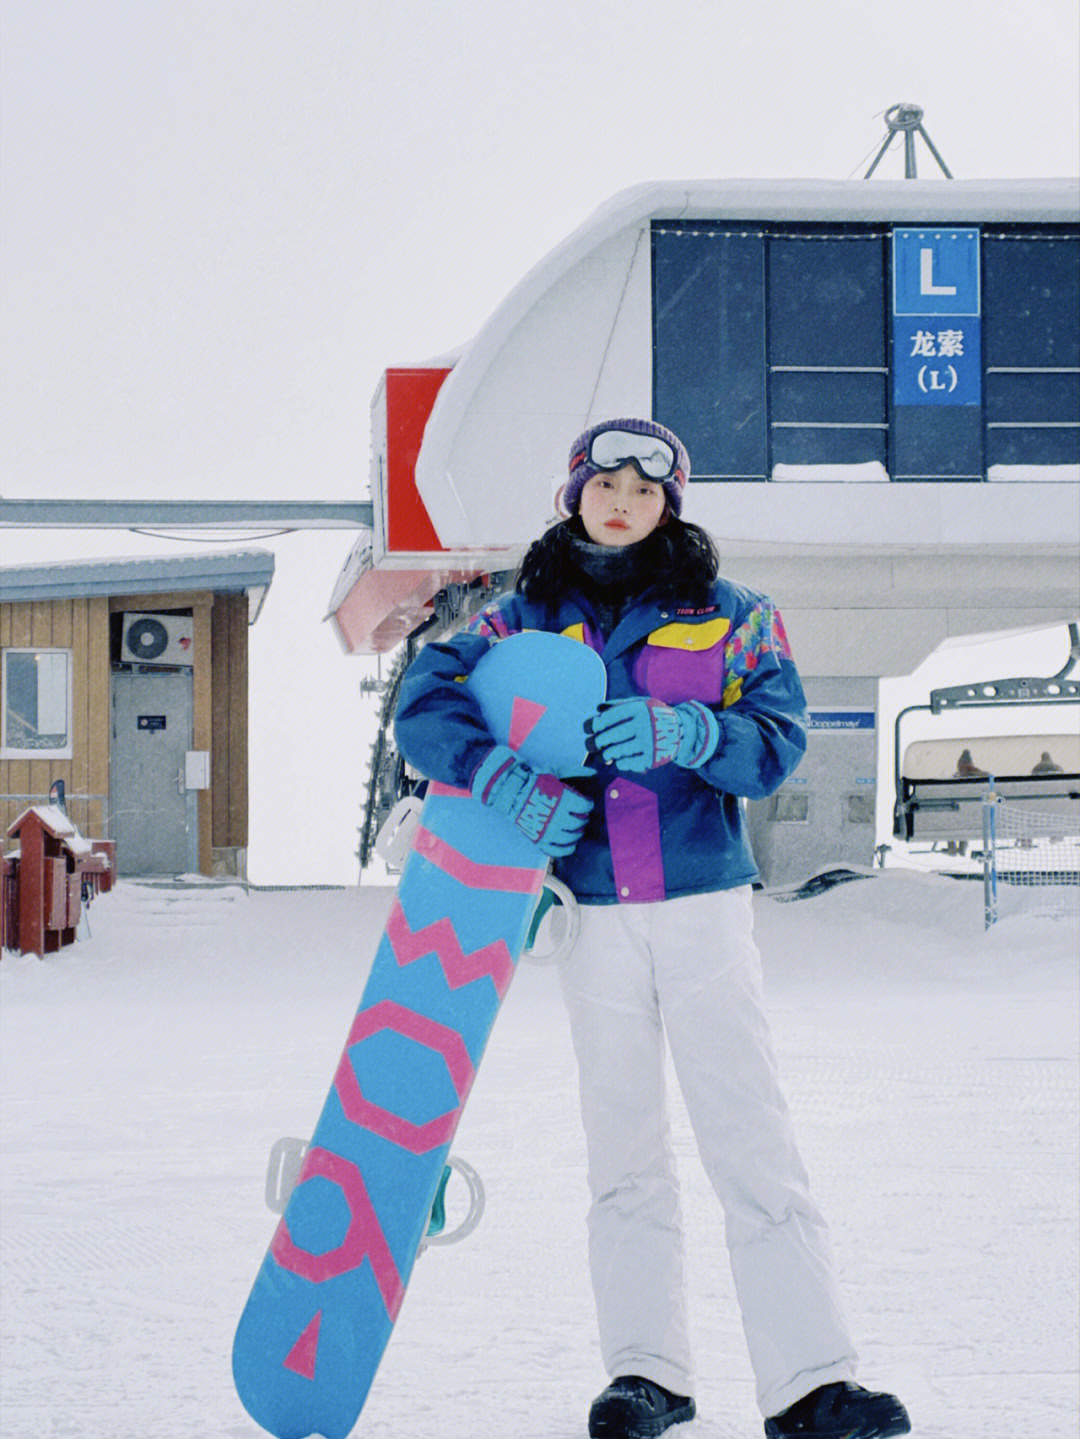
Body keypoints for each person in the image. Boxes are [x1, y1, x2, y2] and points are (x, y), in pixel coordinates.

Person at [394, 418, 910, 1439]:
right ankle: (646, 1372)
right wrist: (493, 771)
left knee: (751, 1139)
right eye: (605, 480)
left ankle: (810, 1379)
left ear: (672, 503)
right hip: (590, 916)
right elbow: (426, 692)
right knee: (622, 1147)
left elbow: (778, 736)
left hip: (703, 905)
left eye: (646, 485)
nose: (623, 499)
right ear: (572, 492)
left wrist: (697, 730)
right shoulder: (519, 621)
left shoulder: (733, 616)